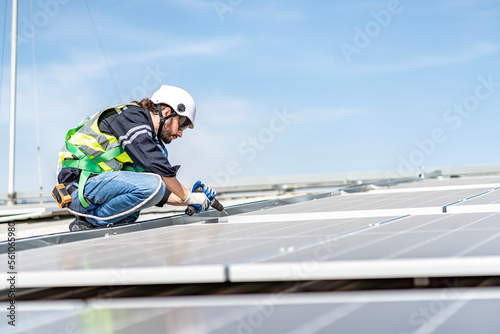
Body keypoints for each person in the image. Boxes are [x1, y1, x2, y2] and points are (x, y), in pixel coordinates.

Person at [56, 85, 215, 231]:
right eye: (182, 125)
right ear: (167, 112)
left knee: (153, 185)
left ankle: (107, 222)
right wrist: (187, 195)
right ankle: (90, 222)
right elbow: (153, 165)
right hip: (79, 187)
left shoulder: (149, 140)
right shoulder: (132, 117)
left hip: (98, 188)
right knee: (155, 182)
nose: (180, 133)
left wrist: (194, 199)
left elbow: (160, 194)